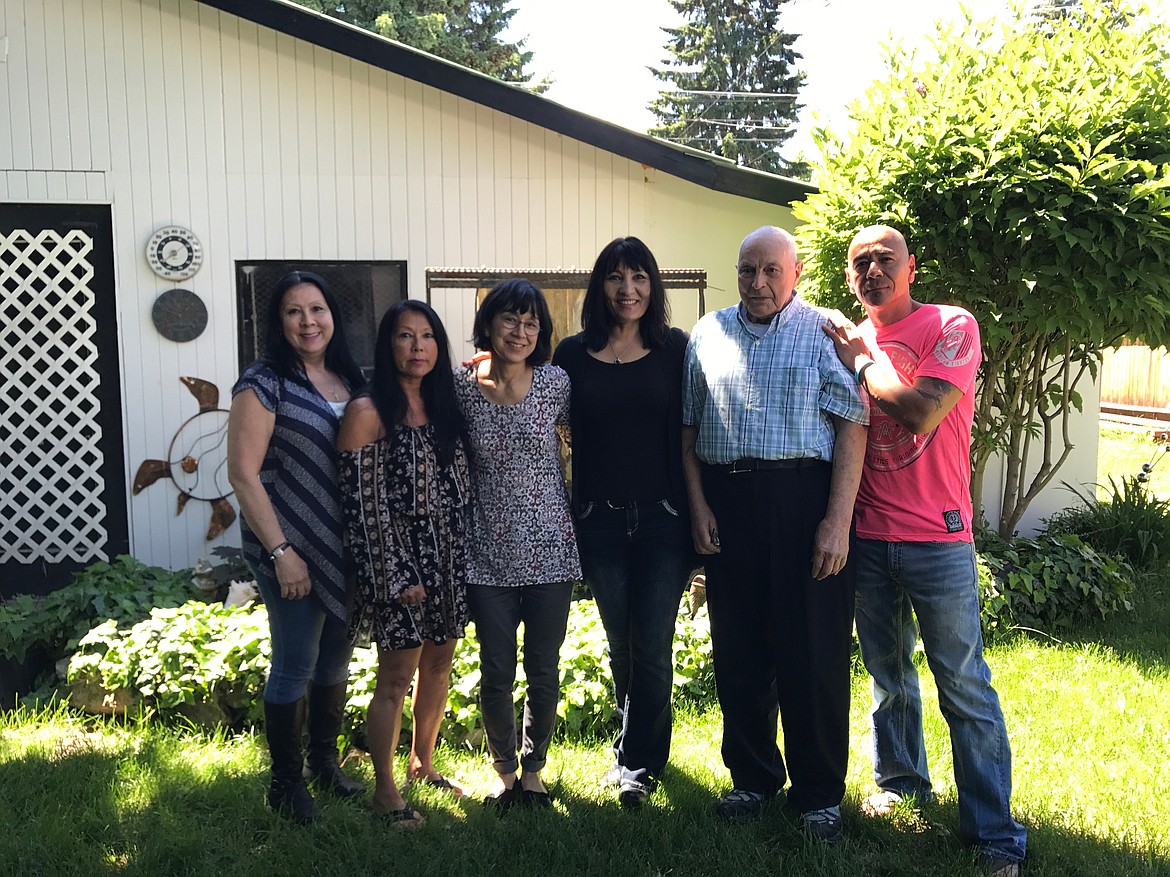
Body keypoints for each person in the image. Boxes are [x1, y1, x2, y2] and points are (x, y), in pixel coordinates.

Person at [823, 225, 1027, 876]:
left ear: (913, 266)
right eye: (860, 263)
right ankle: (902, 780)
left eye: (886, 258)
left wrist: (862, 359)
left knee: (963, 685)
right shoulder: (849, 336)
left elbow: (919, 411)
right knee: (889, 679)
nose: (873, 270)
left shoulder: (951, 325)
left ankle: (995, 832)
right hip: (871, 538)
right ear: (850, 277)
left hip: (939, 538)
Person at [681, 226, 868, 843]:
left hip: (802, 500)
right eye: (746, 271)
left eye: (770, 271)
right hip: (729, 503)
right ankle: (753, 778)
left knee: (812, 651)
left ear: (797, 273)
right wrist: (700, 506)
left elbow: (851, 426)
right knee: (738, 648)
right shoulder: (708, 333)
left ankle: (818, 796)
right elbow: (688, 431)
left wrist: (836, 521)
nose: (757, 283)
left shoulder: (823, 331)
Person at [551, 237, 693, 809]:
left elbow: (693, 431)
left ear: (653, 286)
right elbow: (532, 399)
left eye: (638, 277)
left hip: (663, 519)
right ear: (600, 286)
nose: (627, 289)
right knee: (620, 645)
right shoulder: (571, 353)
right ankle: (634, 745)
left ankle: (639, 763)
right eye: (615, 278)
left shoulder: (675, 349)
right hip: (598, 520)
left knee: (654, 644)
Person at [227, 270, 366, 824]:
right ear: (278, 321)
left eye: (317, 310)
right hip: (287, 546)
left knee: (335, 657)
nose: (308, 321)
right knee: (294, 662)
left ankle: (324, 766)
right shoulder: (263, 382)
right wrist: (283, 551)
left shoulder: (348, 377)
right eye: (293, 311)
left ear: (334, 315)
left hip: (345, 545)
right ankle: (285, 786)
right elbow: (242, 474)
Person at [336, 300, 473, 828]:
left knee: (439, 667)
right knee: (394, 680)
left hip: (450, 561)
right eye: (404, 337)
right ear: (386, 345)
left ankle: (424, 764)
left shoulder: (445, 406)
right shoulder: (368, 412)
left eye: (427, 337)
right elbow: (361, 510)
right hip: (401, 569)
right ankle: (386, 791)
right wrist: (394, 577)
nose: (417, 348)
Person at [453, 279, 581, 812]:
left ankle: (534, 772)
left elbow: (584, 444)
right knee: (496, 669)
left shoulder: (556, 382)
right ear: (490, 323)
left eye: (532, 323)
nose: (520, 331)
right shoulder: (460, 388)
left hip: (550, 550)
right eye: (510, 319)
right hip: (486, 551)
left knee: (544, 667)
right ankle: (504, 772)